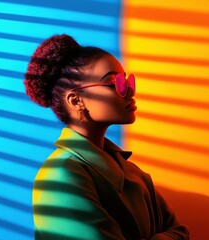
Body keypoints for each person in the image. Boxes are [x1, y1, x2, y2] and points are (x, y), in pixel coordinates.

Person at [24, 34, 189, 240]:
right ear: (76, 101)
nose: (129, 91)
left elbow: (181, 231)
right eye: (115, 83)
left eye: (127, 81)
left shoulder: (129, 168)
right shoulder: (60, 176)